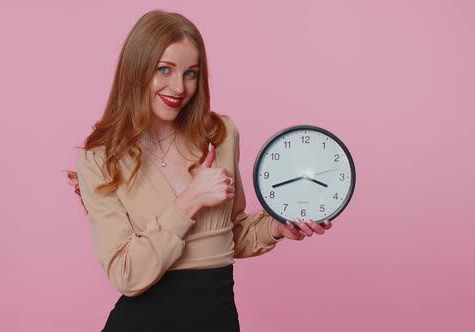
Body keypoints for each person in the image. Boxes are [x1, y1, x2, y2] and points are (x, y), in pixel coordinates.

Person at [68, 10, 333, 332]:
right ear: (136, 71)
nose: (178, 87)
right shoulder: (101, 159)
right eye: (163, 69)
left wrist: (275, 227)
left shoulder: (219, 135)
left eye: (191, 73)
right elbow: (126, 275)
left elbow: (227, 235)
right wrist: (190, 200)